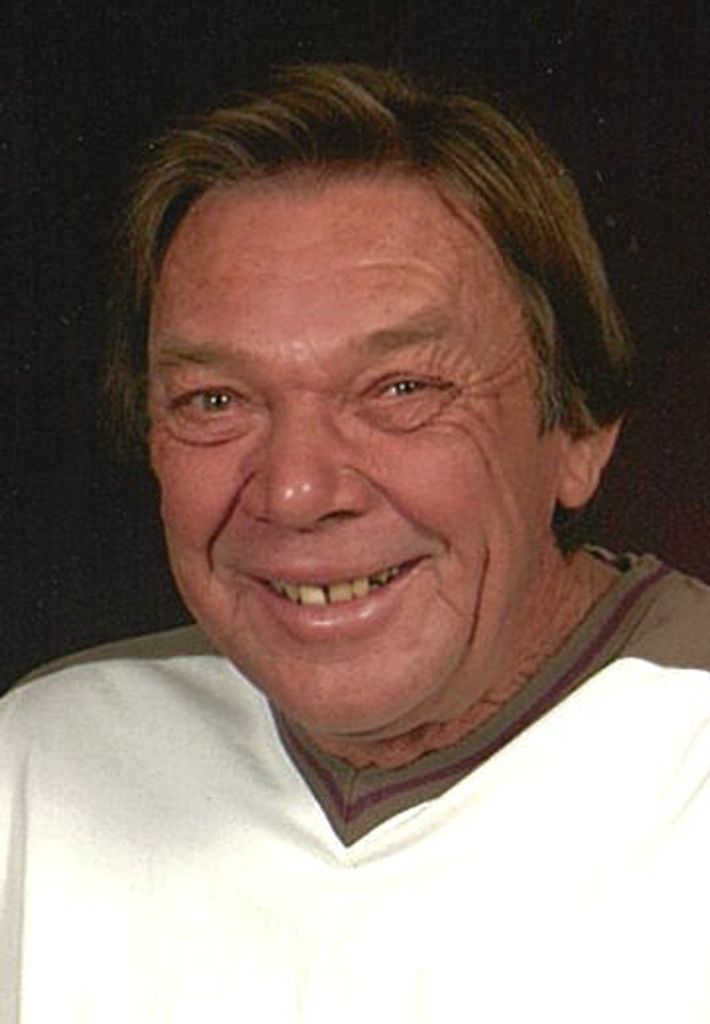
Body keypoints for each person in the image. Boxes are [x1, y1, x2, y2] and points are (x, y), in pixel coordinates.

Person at [2, 63, 709, 1023]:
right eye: (215, 401)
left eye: (401, 389)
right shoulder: (42, 762)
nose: (297, 492)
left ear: (579, 430)